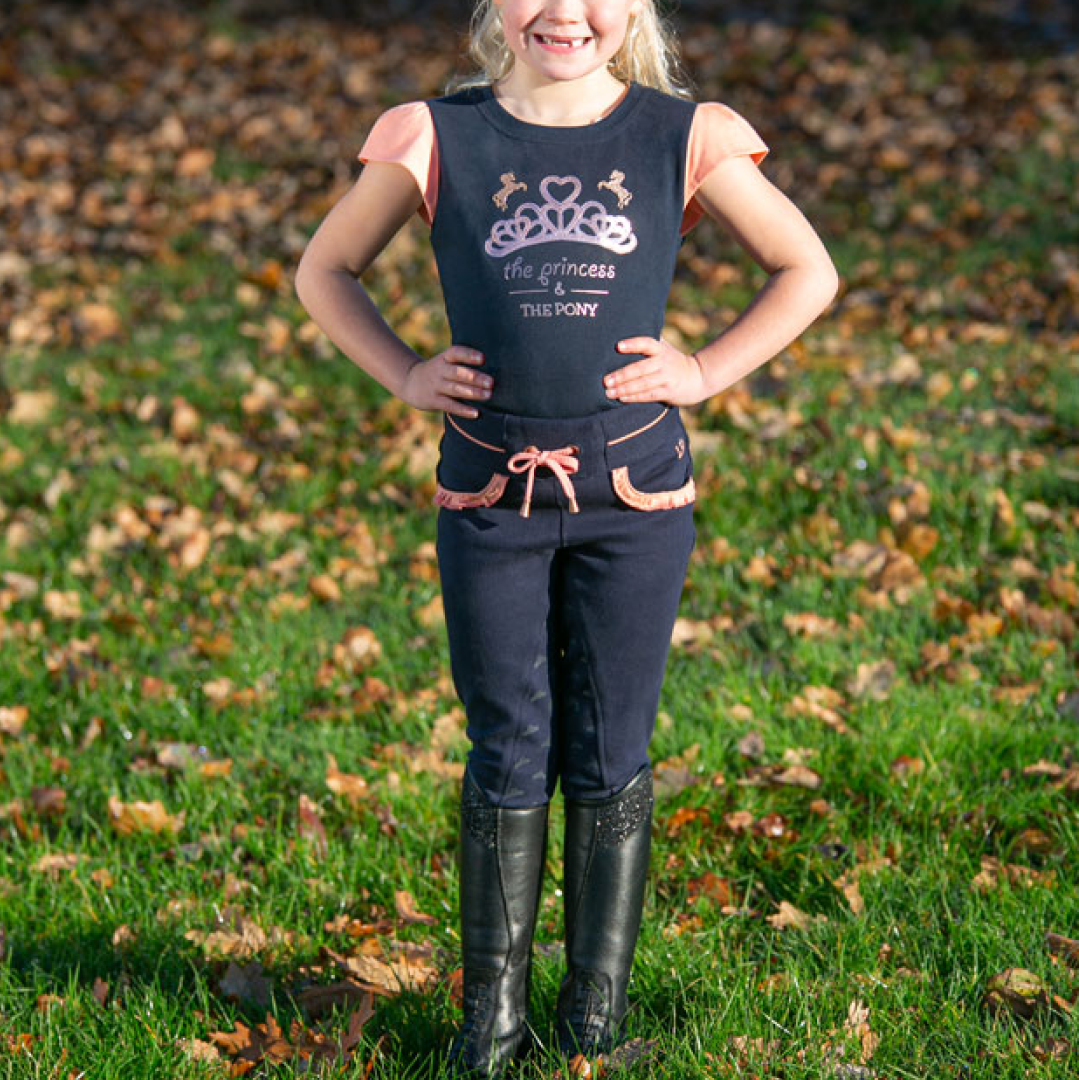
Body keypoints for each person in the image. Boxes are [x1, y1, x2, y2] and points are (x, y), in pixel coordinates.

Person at [295, 0, 838, 1073]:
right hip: (490, 498)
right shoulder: (433, 136)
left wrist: (703, 372)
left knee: (611, 747)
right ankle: (489, 1026)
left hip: (634, 500)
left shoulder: (681, 134)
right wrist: (407, 371)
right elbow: (325, 270)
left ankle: (594, 1020)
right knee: (507, 743)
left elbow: (806, 269)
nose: (564, 12)